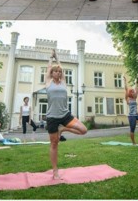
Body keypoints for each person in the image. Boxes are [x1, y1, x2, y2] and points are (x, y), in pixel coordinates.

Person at [45, 49, 87, 180]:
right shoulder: (48, 82)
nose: (58, 72)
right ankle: (55, 171)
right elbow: (48, 67)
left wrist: (57, 57)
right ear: (52, 73)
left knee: (83, 130)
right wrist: (51, 59)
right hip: (52, 117)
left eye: (59, 71)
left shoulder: (63, 82)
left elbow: (61, 66)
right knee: (54, 143)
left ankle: (63, 129)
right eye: (55, 71)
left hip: (65, 115)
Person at [124, 77, 138, 145]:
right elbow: (126, 89)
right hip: (131, 116)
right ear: (130, 93)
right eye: (133, 92)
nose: (134, 92)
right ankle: (133, 142)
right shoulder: (128, 100)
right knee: (132, 130)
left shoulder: (135, 98)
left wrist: (136, 82)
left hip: (136, 115)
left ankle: (136, 121)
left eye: (134, 92)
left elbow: (137, 89)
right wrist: (125, 81)